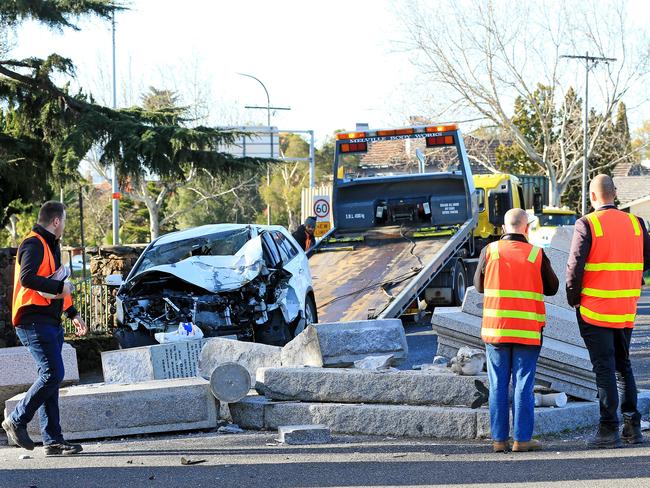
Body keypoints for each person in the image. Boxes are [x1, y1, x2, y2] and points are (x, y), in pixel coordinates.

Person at [566, 174, 650, 448]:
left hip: (595, 309)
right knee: (624, 366)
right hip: (625, 307)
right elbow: (646, 260)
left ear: (592, 196)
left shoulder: (587, 224)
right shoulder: (637, 223)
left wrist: (573, 298)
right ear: (616, 193)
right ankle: (632, 426)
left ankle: (608, 428)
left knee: (604, 368)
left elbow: (575, 266)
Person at [2, 201, 88, 456]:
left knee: (50, 379)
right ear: (56, 221)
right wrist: (61, 290)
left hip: (47, 320)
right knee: (52, 374)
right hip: (32, 319)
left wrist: (71, 311)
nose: (65, 226)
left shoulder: (50, 245)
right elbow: (27, 278)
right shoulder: (33, 243)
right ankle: (16, 419)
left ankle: (53, 440)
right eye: (65, 221)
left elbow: (55, 279)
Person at [474, 208, 559, 453]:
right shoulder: (536, 254)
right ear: (526, 228)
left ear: (503, 229)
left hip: (496, 331)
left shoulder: (489, 251)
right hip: (528, 332)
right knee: (523, 384)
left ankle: (499, 440)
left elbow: (478, 286)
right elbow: (552, 288)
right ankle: (522, 440)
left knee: (498, 383)